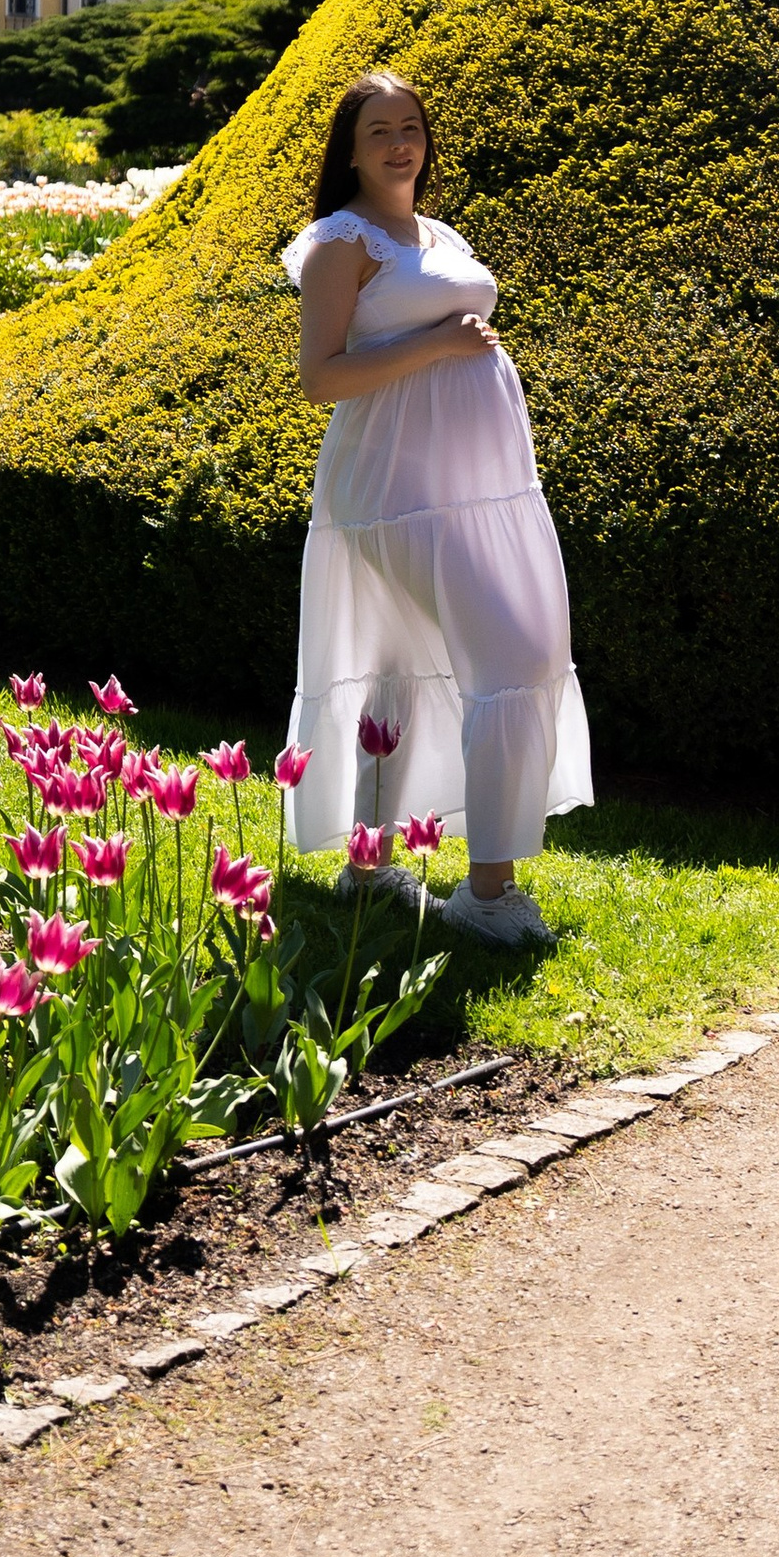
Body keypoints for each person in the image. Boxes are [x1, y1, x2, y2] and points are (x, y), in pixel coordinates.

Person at [280, 66, 591, 946]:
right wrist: (439, 344)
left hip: (475, 486)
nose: (398, 143)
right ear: (349, 150)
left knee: (400, 662)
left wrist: (457, 347)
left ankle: (371, 867)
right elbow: (320, 378)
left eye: (409, 126)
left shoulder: (435, 231)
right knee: (509, 650)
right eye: (378, 131)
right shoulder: (343, 240)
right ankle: (489, 897)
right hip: (392, 486)